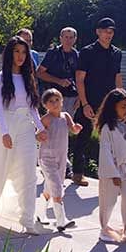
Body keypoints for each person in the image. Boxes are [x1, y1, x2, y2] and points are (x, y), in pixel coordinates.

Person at [0, 37, 48, 235]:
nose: (20, 56)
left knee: (29, 172)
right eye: (17, 52)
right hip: (7, 126)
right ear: (10, 54)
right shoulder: (0, 77)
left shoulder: (29, 77)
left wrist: (40, 128)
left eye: (24, 52)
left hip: (26, 128)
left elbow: (32, 107)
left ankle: (27, 219)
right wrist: (4, 132)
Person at [73, 18, 123, 187]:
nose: (108, 35)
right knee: (83, 137)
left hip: (109, 102)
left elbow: (117, 76)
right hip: (90, 101)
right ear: (98, 32)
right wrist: (84, 103)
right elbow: (79, 79)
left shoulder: (117, 53)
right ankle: (78, 173)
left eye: (111, 32)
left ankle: (112, 174)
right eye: (105, 31)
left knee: (112, 138)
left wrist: (121, 100)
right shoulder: (87, 52)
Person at [95, 88, 126, 244]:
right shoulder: (106, 129)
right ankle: (104, 229)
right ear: (113, 107)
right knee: (108, 200)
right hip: (112, 170)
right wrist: (113, 173)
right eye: (123, 106)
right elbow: (105, 152)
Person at [37, 27, 80, 178]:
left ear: (75, 39)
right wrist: (59, 81)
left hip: (71, 97)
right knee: (50, 130)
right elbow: (39, 72)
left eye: (71, 37)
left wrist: (80, 97)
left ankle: (63, 164)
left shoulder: (76, 55)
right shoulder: (53, 53)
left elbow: (81, 77)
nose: (68, 40)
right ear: (60, 38)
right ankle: (47, 161)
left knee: (64, 131)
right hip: (53, 98)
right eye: (66, 37)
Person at [37, 89, 83, 231]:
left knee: (50, 187)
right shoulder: (45, 119)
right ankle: (61, 221)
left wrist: (76, 128)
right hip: (46, 157)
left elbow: (72, 128)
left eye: (57, 100)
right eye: (51, 101)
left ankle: (40, 214)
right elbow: (36, 134)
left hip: (62, 157)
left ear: (62, 101)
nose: (55, 103)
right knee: (57, 187)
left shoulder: (65, 116)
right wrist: (40, 136)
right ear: (45, 105)